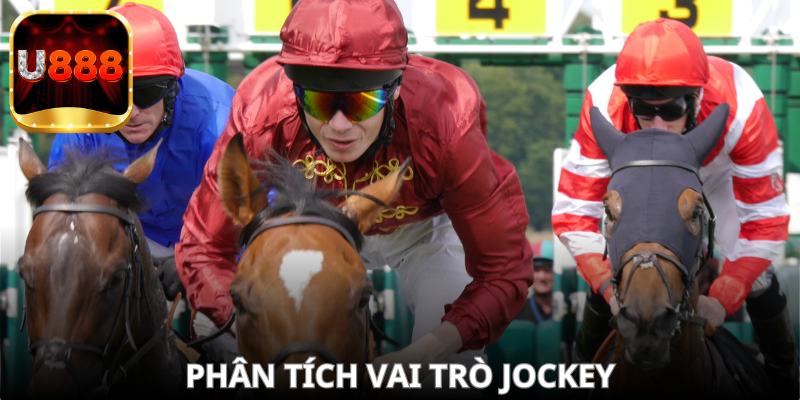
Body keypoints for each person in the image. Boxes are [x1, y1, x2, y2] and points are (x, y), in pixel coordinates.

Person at [176, 0, 533, 372]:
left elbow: (503, 270)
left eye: (362, 103)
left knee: (448, 368)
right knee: (234, 343)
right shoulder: (260, 114)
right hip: (313, 224)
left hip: (423, 231)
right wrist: (237, 318)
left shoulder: (446, 123)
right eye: (319, 101)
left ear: (395, 90)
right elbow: (205, 246)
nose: (340, 126)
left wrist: (428, 350)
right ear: (296, 92)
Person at [553, 18, 797, 395]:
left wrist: (724, 297)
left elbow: (765, 223)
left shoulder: (743, 102)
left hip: (720, 174)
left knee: (757, 271)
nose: (657, 124)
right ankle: (582, 370)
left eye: (672, 109)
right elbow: (574, 214)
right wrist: (607, 287)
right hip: (643, 176)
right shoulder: (603, 101)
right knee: (612, 259)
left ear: (697, 97)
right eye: (643, 108)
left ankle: (786, 378)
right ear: (627, 99)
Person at [48, 2, 235, 302]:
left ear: (173, 88)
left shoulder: (219, 118)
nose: (132, 113)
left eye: (146, 93)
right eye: (117, 94)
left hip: (216, 241)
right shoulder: (82, 119)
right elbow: (62, 213)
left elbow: (253, 210)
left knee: (225, 320)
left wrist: (197, 257)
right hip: (128, 237)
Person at [516, 241, 555, 325]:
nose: (542, 277)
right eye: (536, 270)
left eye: (548, 270)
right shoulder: (515, 312)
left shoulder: (571, 314)